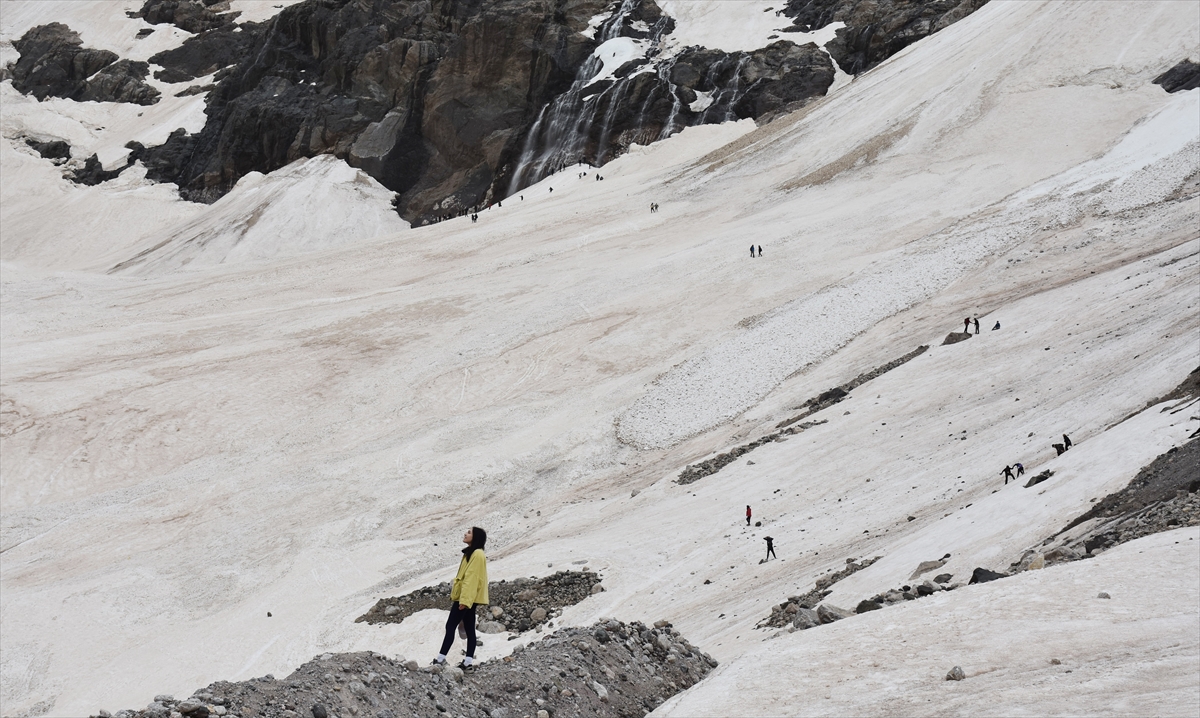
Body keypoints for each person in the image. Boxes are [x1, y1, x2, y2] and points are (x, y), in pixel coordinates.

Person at [433, 527, 489, 670]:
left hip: (466, 597)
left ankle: (440, 659)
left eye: (469, 532)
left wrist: (464, 601)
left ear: (476, 537)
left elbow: (471, 579)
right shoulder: (473, 553)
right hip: (469, 597)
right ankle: (468, 662)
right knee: (470, 629)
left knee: (450, 626)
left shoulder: (476, 554)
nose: (465, 534)